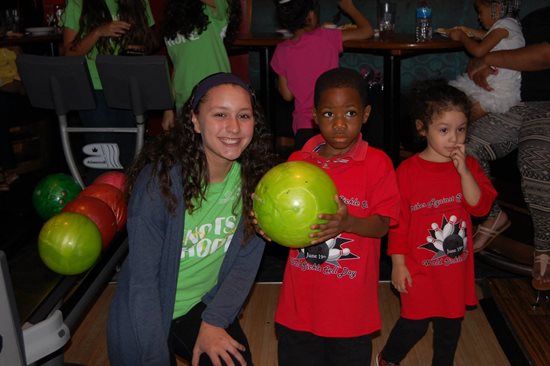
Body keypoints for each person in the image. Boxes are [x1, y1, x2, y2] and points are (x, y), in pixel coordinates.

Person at [107, 73, 276, 365]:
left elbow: (245, 264)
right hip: (147, 310)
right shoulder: (158, 183)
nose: (234, 127)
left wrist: (214, 321)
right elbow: (143, 284)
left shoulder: (257, 181)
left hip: (202, 305)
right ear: (195, 121)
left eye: (244, 115)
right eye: (220, 114)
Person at [272, 68, 400, 366]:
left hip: (350, 315)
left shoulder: (378, 164)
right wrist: (266, 222)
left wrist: (348, 223)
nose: (340, 124)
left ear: (366, 115)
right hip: (298, 309)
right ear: (315, 115)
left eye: (351, 113)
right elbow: (281, 223)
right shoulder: (298, 163)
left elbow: (382, 226)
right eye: (329, 114)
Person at [376, 80, 497, 366]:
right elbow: (398, 223)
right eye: (444, 130)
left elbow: (479, 207)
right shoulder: (407, 171)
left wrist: (464, 172)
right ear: (423, 128)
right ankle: (388, 358)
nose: (454, 138)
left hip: (454, 271)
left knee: (450, 327)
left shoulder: (470, 167)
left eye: (461, 129)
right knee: (414, 324)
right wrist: (398, 263)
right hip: (418, 269)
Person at [465, 6, 550, 290]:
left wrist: (484, 57)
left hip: (547, 104)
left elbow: (543, 56)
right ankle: (493, 216)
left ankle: (545, 248)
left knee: (535, 157)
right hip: (518, 102)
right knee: (461, 147)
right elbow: (509, 51)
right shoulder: (532, 16)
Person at [62, 0, 157, 179]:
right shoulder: (78, 3)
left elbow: (152, 41)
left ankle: (127, 202)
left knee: (131, 155)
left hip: (128, 86)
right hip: (94, 88)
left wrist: (138, 47)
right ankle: (101, 202)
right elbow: (69, 52)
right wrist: (98, 32)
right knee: (103, 155)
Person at [271, 0, 373, 150]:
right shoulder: (327, 37)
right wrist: (349, 8)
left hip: (303, 127)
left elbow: (287, 95)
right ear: (311, 15)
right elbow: (367, 31)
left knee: (308, 171)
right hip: (333, 121)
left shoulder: (281, 50)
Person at [161, 0, 242, 130]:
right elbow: (177, 68)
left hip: (214, 96)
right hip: (184, 102)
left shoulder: (214, 8)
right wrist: (168, 108)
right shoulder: (173, 21)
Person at [447, 0, 523, 121]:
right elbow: (487, 36)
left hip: (499, 90)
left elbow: (479, 51)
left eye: (480, 12)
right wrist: (469, 31)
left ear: (497, 8)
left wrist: (462, 36)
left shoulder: (505, 24)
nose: (478, 17)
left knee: (464, 117)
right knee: (452, 103)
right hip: (491, 84)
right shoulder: (509, 25)